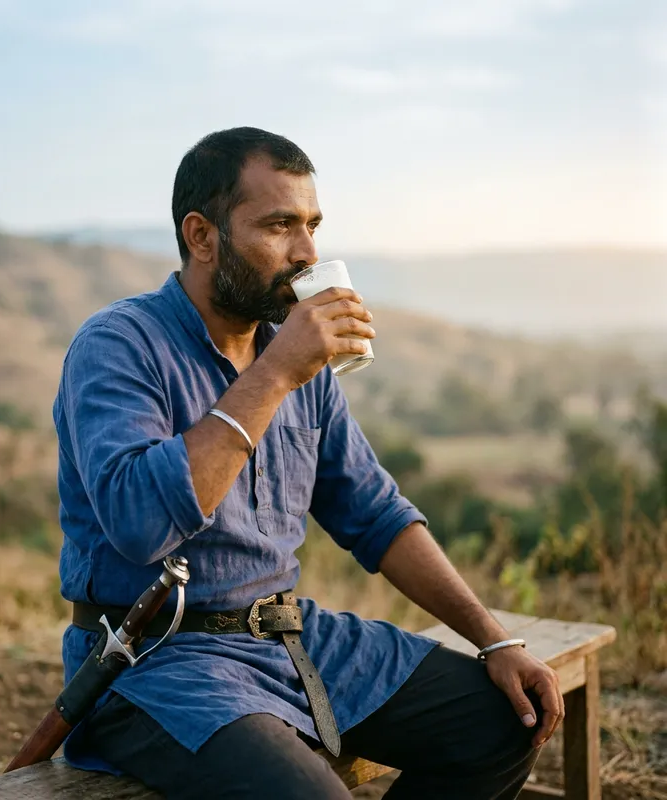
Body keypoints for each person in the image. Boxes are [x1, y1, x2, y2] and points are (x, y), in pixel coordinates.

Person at [52, 126, 564, 799]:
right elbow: (139, 524)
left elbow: (374, 514)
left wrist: (495, 641)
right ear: (202, 237)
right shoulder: (121, 345)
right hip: (157, 666)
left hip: (291, 642)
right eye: (279, 226)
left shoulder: (297, 361)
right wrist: (273, 375)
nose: (307, 253)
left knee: (502, 721)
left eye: (312, 226)